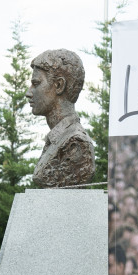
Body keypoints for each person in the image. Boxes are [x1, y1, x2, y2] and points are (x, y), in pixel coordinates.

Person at [25, 49, 95, 187]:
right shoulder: (56, 139)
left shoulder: (76, 143)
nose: (28, 93)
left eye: (36, 83)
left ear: (59, 85)